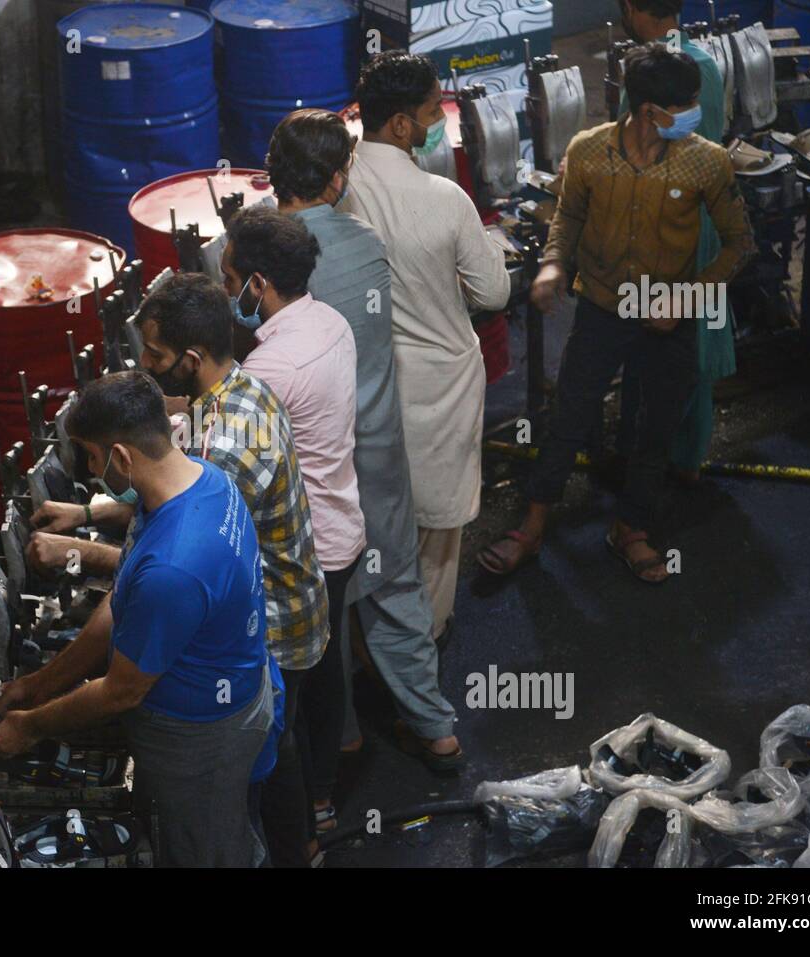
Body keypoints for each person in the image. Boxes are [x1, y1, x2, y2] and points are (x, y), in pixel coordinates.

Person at [28, 274, 329, 867]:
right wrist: (89, 511)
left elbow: (166, 592)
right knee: (262, 766)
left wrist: (33, 717)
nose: (147, 363)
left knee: (227, 822)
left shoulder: (219, 461)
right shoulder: (221, 431)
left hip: (261, 649)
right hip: (256, 657)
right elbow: (163, 512)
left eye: (156, 356)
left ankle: (291, 848)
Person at [478, 44, 755, 583]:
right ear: (650, 110)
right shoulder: (588, 151)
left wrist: (686, 300)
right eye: (687, 104)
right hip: (604, 310)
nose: (696, 112)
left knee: (656, 428)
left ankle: (630, 528)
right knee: (569, 420)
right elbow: (568, 216)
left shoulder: (706, 160)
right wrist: (555, 264)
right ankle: (531, 528)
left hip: (669, 314)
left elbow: (740, 245)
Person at [0, 371, 274, 867]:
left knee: (208, 850)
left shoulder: (175, 566)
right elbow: (122, 604)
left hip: (200, 739)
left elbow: (121, 691)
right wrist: (38, 685)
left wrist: (31, 726)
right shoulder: (204, 482)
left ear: (120, 456)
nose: (92, 470)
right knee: (219, 832)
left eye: (93, 457)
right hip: (221, 699)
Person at [263, 108, 464, 795]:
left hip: (313, 472)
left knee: (324, 609)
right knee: (399, 591)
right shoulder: (366, 241)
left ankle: (342, 731)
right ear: (340, 175)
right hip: (379, 453)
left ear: (274, 173)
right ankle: (436, 725)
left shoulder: (270, 254)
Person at [338, 51, 511, 641]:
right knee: (437, 537)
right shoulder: (444, 198)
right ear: (402, 126)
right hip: (440, 386)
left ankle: (370, 647)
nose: (441, 118)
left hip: (366, 389)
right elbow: (493, 289)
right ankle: (425, 638)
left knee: (374, 526)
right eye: (433, 108)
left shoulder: (336, 188)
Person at [217, 205, 363, 853]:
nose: (228, 294)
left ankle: (298, 833)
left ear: (257, 284)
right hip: (346, 529)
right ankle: (327, 794)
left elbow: (223, 439)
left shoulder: (270, 370)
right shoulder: (329, 322)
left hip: (305, 554)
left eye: (230, 280)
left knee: (281, 711)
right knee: (328, 667)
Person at [613, 0, 736, 484]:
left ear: (631, 8)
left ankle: (646, 461)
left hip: (662, 228)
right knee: (692, 349)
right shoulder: (703, 61)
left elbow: (631, 146)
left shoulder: (651, 72)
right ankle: (685, 460)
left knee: (655, 347)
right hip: (699, 220)